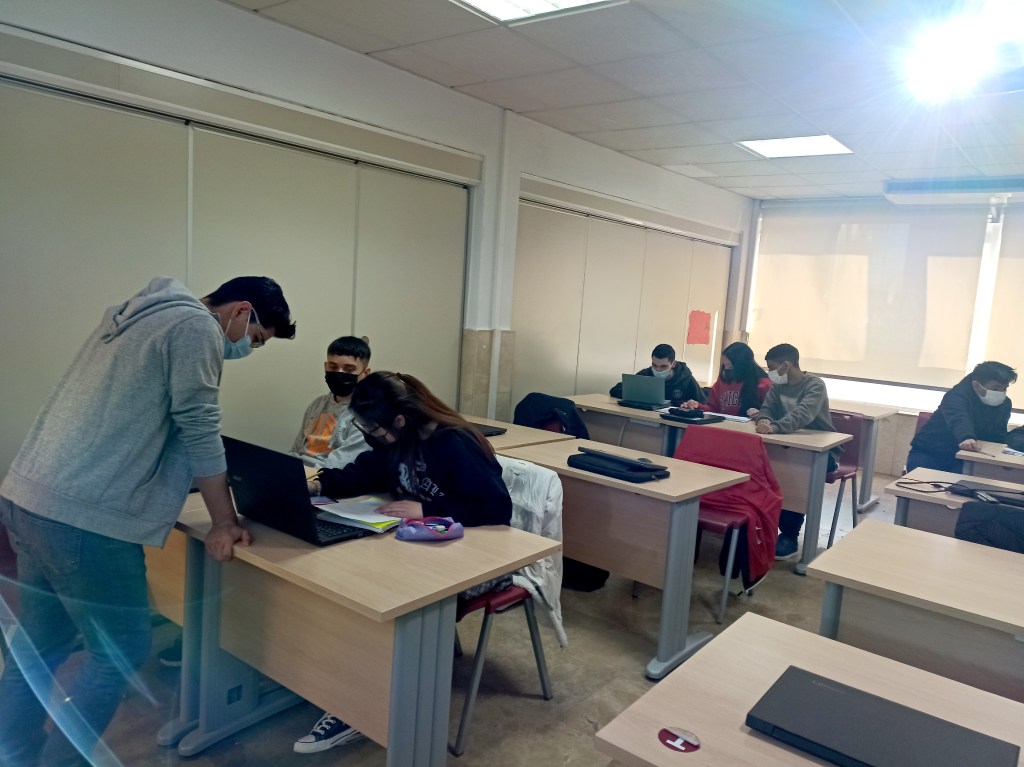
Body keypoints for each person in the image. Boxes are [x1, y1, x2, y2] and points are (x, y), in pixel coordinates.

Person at [0, 276, 295, 767]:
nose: (248, 349)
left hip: (29, 498)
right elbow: (199, 426)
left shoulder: (139, 317)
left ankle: (14, 753)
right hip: (82, 520)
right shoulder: (196, 327)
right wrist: (224, 521)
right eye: (257, 338)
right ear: (241, 311)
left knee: (39, 647)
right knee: (119, 651)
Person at [295, 371, 512, 754]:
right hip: (413, 547)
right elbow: (365, 472)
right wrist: (317, 485)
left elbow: (496, 508)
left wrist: (428, 509)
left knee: (380, 601)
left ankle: (358, 708)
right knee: (343, 581)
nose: (373, 438)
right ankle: (339, 682)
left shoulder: (453, 443)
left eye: (375, 430)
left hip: (469, 559)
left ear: (399, 420)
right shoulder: (395, 439)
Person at [747, 343, 840, 561]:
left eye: (772, 368)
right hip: (786, 444)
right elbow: (767, 409)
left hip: (822, 452)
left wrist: (775, 427)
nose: (770, 372)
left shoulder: (815, 385)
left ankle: (790, 535)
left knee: (793, 473)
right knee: (760, 466)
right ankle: (762, 525)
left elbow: (803, 414)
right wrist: (764, 420)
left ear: (786, 366)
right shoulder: (778, 386)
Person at [907, 361, 1017, 473]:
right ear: (976, 385)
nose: (1001, 393)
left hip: (967, 457)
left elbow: (998, 433)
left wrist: (1002, 456)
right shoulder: (956, 396)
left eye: (1004, 388)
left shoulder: (1005, 403)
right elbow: (958, 418)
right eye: (995, 388)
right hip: (930, 453)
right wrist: (966, 437)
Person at [289, 335, 373, 469]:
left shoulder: (366, 414)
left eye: (349, 369)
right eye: (333, 367)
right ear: (325, 366)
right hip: (298, 471)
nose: (339, 373)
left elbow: (339, 464)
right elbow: (295, 450)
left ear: (365, 373)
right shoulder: (317, 404)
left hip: (325, 476)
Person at [680, 341, 771, 415]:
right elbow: (713, 409)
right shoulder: (724, 379)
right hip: (723, 426)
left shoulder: (764, 384)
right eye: (725, 365)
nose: (726, 369)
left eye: (730, 366)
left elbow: (770, 414)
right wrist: (697, 406)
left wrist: (759, 415)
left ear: (742, 366)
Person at [609, 343, 705, 406]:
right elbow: (615, 390)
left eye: (663, 366)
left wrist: (690, 404)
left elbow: (703, 403)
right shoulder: (646, 374)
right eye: (654, 365)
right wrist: (640, 396)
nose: (658, 370)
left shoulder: (686, 379)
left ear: (673, 364)